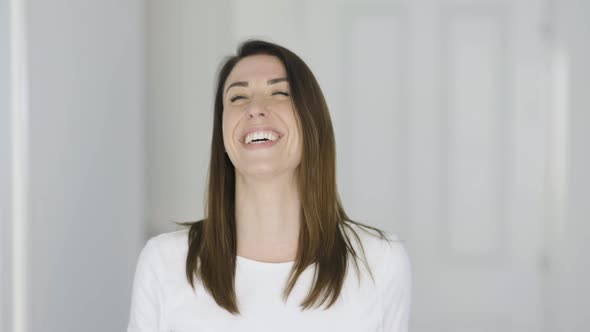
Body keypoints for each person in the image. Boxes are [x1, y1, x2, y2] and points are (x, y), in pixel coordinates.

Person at [127, 39, 412, 332]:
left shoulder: (379, 261)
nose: (256, 109)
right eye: (238, 98)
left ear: (312, 122)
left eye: (279, 93)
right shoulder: (164, 261)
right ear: (222, 133)